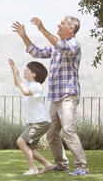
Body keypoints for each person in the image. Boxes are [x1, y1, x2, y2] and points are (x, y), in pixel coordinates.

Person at [11, 16, 89, 176]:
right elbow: (36, 52)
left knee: (68, 129)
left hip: (68, 95)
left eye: (63, 23)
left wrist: (41, 28)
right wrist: (24, 36)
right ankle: (61, 164)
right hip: (55, 97)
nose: (58, 24)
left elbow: (62, 47)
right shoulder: (54, 47)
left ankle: (82, 167)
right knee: (51, 133)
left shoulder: (74, 44)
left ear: (71, 29)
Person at [8, 58, 54, 175]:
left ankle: (33, 168)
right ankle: (47, 164)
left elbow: (25, 92)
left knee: (21, 141)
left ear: (33, 73)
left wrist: (18, 75)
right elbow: (17, 84)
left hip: (40, 121)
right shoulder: (29, 85)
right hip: (36, 122)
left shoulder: (37, 86)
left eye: (27, 69)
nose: (24, 70)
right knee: (28, 146)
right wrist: (15, 72)